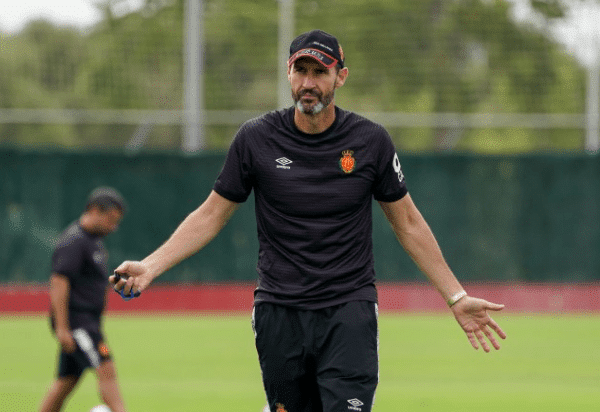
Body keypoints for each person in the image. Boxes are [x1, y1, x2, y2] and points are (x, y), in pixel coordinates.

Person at [111, 30, 506, 412]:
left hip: (348, 311)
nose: (309, 82)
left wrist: (455, 296)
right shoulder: (255, 139)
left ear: (340, 77)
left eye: (320, 72)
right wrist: (151, 265)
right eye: (301, 71)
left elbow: (408, 223)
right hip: (279, 313)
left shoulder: (371, 141)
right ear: (288, 74)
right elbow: (211, 214)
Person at [40, 187, 128, 412]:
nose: (113, 227)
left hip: (87, 321)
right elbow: (59, 282)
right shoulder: (74, 241)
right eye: (110, 220)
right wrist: (62, 328)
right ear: (94, 210)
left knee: (66, 381)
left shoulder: (93, 240)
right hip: (78, 323)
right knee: (106, 369)